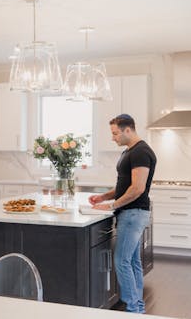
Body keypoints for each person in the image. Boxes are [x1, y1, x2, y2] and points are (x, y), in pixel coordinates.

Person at [89, 114, 156, 313]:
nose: (113, 137)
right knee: (132, 261)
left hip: (133, 214)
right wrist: (103, 197)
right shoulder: (129, 151)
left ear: (128, 130)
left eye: (115, 133)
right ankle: (138, 308)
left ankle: (133, 309)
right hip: (130, 213)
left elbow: (137, 189)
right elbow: (124, 185)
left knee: (121, 260)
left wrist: (112, 206)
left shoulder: (141, 152)